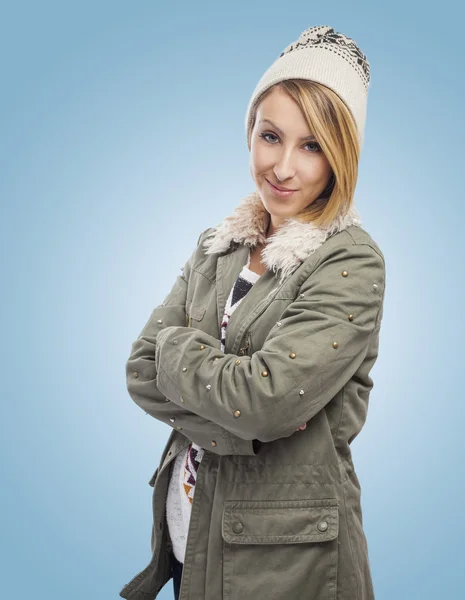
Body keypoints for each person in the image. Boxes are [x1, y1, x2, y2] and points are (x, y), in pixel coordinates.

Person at [119, 24, 385, 600]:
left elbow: (266, 401)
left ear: (341, 156)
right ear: (249, 135)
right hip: (194, 537)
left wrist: (181, 352)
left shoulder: (351, 263)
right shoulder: (221, 244)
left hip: (285, 564)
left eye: (311, 145)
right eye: (271, 136)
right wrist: (244, 422)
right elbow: (141, 370)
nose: (283, 166)